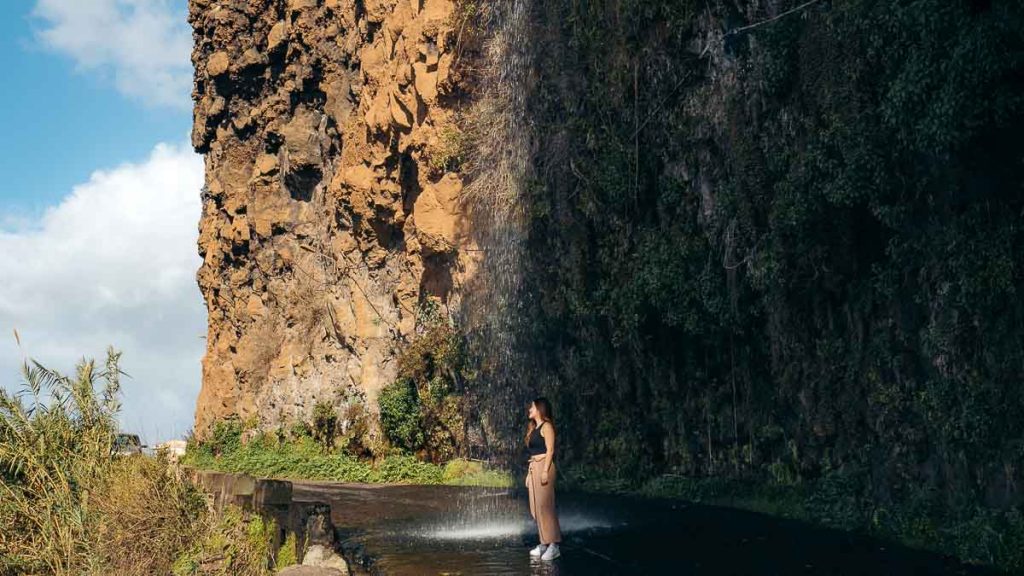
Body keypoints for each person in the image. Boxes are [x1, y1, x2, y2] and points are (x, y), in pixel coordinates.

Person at [524, 397, 562, 560]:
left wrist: (545, 470)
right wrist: (529, 475)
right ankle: (543, 542)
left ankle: (554, 545)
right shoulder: (533, 428)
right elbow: (532, 453)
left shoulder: (547, 426)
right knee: (535, 508)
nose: (529, 409)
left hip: (543, 466)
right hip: (534, 468)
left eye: (531, 407)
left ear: (540, 409)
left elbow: (550, 449)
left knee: (545, 507)